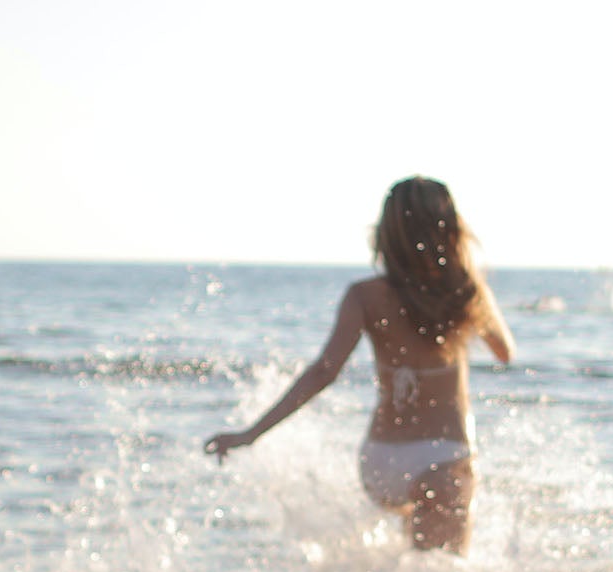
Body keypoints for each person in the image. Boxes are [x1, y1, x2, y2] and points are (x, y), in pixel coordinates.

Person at [205, 177, 515, 552]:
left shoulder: (365, 296)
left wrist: (250, 434)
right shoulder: (464, 292)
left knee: (416, 565)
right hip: (443, 460)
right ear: (451, 231)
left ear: (386, 234)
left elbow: (324, 372)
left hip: (382, 463)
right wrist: (469, 279)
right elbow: (504, 351)